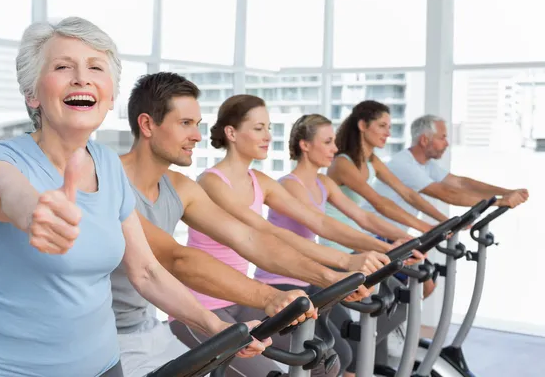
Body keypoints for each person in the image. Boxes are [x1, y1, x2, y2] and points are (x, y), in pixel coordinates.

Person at [0, 17, 266, 377]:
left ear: (110, 95)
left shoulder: (108, 166)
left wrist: (217, 328)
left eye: (95, 67)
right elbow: (6, 193)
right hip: (3, 368)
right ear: (32, 93)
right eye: (63, 66)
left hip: (101, 365)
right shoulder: (0, 157)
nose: (81, 77)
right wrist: (35, 211)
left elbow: (146, 272)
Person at [114, 72, 377, 377]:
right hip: (109, 334)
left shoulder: (180, 187)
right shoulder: (111, 180)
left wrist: (333, 273)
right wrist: (268, 296)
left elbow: (249, 239)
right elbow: (176, 258)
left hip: (147, 326)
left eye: (197, 125)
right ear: (147, 125)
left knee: (326, 360)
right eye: (185, 123)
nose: (198, 136)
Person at [168, 94, 421, 375]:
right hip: (200, 305)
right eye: (258, 128)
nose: (268, 136)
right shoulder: (211, 181)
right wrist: (344, 263)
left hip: (241, 296)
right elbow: (264, 232)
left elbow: (319, 222)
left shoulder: (260, 181)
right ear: (231, 133)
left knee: (326, 362)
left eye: (268, 128)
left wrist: (380, 247)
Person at [266, 113, 425, 376]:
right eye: (327, 142)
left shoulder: (324, 182)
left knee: (352, 346)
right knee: (339, 354)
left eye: (335, 141)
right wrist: (381, 247)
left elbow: (362, 216)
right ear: (305, 145)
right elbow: (322, 225)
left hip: (309, 275)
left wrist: (404, 238)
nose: (335, 149)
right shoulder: (289, 186)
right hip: (284, 278)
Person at [323, 100, 446, 299]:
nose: (388, 133)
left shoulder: (372, 161)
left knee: (423, 283)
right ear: (363, 126)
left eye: (389, 127)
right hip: (340, 244)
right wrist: (425, 228)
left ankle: (388, 329)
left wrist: (439, 223)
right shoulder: (342, 163)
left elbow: (406, 193)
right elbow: (378, 202)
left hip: (358, 239)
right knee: (400, 289)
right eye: (382, 126)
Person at [362, 114, 529, 231]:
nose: (447, 143)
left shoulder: (427, 165)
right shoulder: (404, 164)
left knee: (427, 280)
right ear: (425, 140)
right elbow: (447, 194)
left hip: (390, 234)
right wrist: (500, 202)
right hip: (372, 233)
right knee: (424, 279)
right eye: (442, 138)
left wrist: (507, 192)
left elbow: (462, 183)